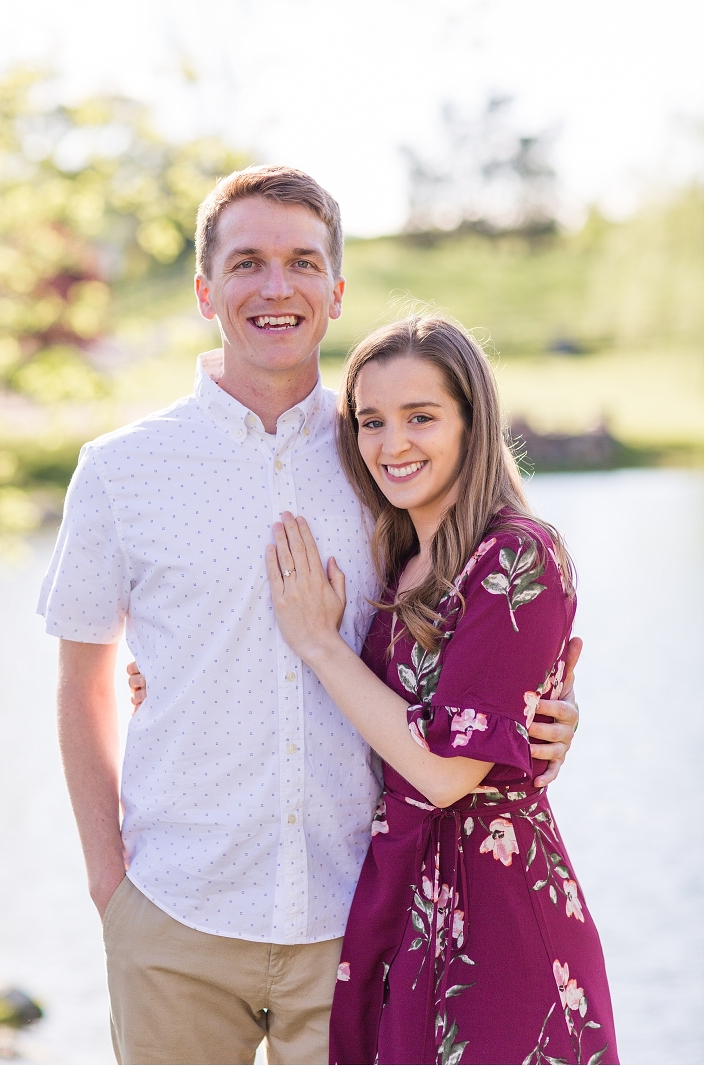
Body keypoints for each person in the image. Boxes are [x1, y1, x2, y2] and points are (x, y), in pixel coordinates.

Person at [37, 166, 580, 1066]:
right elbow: (82, 680)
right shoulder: (119, 471)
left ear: (336, 290)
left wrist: (547, 719)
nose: (276, 286)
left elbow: (479, 634)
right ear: (206, 288)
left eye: (302, 261)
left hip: (361, 918)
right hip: (175, 915)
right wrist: (111, 883)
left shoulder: (386, 456)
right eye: (247, 261)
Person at [263, 314, 617, 1065]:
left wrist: (321, 644)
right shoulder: (399, 561)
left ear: (471, 421)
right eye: (371, 421)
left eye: (420, 416)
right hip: (404, 902)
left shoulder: (518, 551)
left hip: (499, 919)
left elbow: (445, 770)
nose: (393, 444)